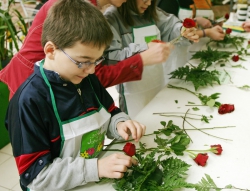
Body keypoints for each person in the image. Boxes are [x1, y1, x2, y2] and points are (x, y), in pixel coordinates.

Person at [5, 1, 146, 190]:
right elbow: (35, 179)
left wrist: (120, 123)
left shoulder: (86, 78)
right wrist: (96, 168)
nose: (91, 70)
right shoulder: (29, 102)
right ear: (50, 50)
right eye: (83, 62)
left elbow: (110, 111)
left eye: (97, 61)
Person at [0, 0, 171, 99]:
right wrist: (141, 59)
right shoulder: (73, 9)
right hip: (33, 83)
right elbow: (93, 75)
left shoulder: (92, 8)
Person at [103, 0, 225, 118]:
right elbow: (111, 59)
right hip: (133, 93)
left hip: (158, 81)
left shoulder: (153, 12)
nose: (149, 3)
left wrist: (183, 30)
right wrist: (145, 51)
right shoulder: (112, 18)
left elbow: (171, 25)